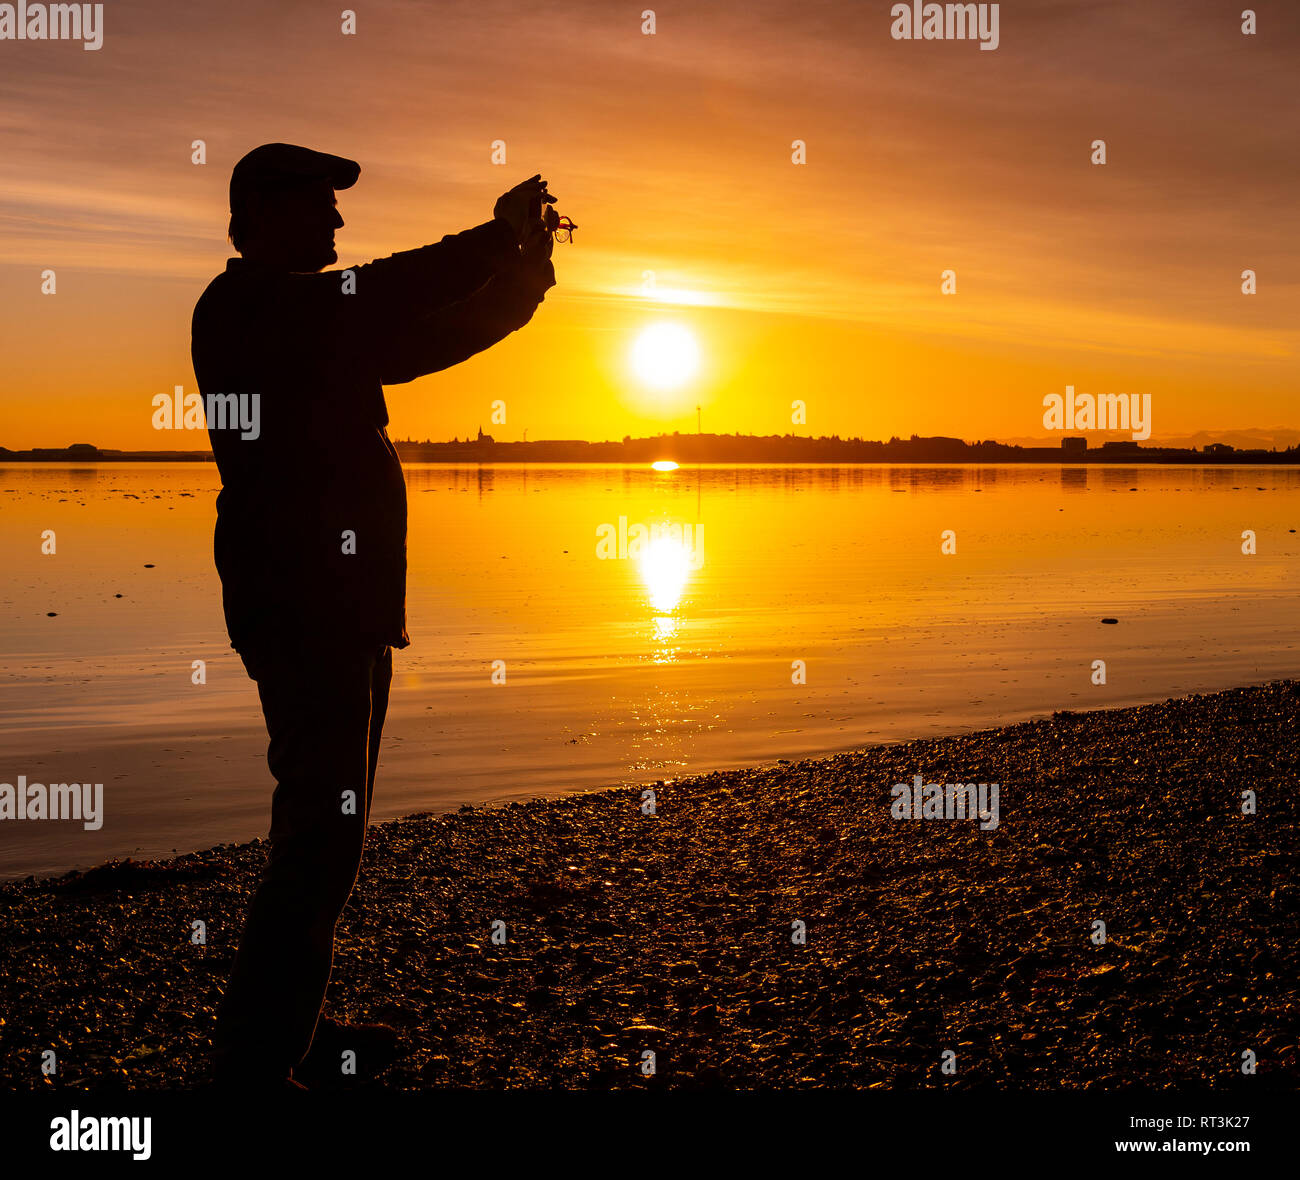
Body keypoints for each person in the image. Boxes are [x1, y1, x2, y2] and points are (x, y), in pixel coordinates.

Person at [191, 142, 557, 1090]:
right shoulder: (247, 309)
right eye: (321, 206)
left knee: (329, 829)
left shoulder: (313, 322)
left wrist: (522, 280)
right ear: (261, 215)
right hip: (302, 606)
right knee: (317, 831)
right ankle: (253, 1065)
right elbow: (386, 293)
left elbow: (426, 336)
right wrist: (491, 234)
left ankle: (289, 1032)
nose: (339, 224)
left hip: (344, 608)